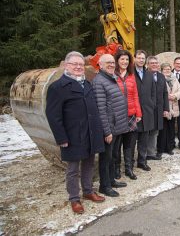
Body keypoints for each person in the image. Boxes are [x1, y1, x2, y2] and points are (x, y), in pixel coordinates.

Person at [46, 51, 105, 214]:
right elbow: (53, 116)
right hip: (72, 135)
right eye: (74, 64)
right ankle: (74, 198)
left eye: (81, 64)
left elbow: (94, 109)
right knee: (73, 169)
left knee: (89, 163)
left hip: (90, 132)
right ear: (66, 65)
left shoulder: (86, 84)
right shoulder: (57, 87)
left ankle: (88, 191)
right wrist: (61, 137)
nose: (79, 67)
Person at [92, 54, 129, 197]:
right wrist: (106, 132)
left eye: (113, 62)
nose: (112, 65)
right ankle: (104, 186)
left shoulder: (110, 78)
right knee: (105, 158)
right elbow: (101, 109)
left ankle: (111, 180)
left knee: (113, 156)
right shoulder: (99, 81)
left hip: (117, 126)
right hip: (109, 128)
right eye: (108, 63)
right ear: (100, 65)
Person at [114, 50, 142, 180]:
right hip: (118, 115)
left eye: (126, 59)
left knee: (130, 144)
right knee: (117, 144)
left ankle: (129, 169)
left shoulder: (131, 76)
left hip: (131, 114)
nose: (124, 62)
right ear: (117, 61)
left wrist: (138, 112)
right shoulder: (112, 75)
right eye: (122, 59)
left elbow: (135, 95)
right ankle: (116, 169)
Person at [132, 50, 156, 171]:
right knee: (131, 141)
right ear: (134, 58)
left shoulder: (149, 74)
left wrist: (152, 104)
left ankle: (142, 161)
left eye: (143, 58)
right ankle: (129, 164)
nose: (141, 60)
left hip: (147, 111)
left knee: (144, 139)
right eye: (139, 58)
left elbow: (153, 92)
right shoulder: (130, 73)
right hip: (133, 112)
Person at [157, 63, 180, 155]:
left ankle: (169, 148)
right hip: (164, 107)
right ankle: (160, 149)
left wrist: (175, 96)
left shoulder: (175, 79)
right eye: (165, 69)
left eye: (168, 69)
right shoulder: (159, 79)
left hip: (173, 107)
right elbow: (158, 92)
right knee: (162, 130)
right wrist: (168, 96)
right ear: (162, 70)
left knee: (171, 129)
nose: (167, 70)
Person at [146, 56, 169, 161]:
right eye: (152, 63)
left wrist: (166, 109)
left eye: (156, 63)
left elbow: (165, 93)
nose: (154, 64)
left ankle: (151, 153)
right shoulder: (144, 75)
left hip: (159, 109)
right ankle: (143, 153)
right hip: (147, 109)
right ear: (148, 64)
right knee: (146, 132)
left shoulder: (161, 76)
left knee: (155, 131)